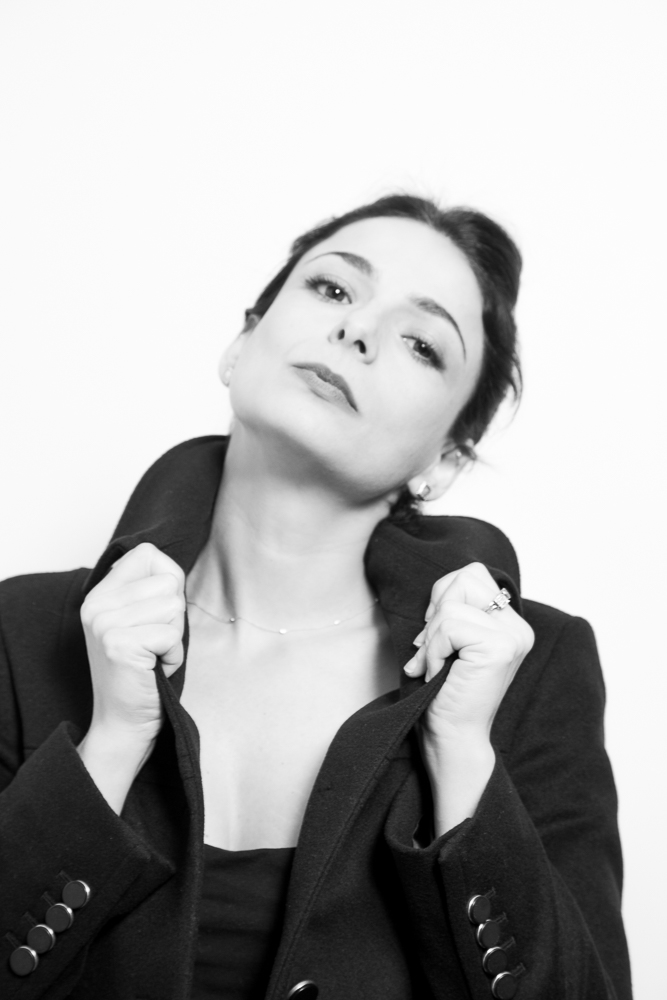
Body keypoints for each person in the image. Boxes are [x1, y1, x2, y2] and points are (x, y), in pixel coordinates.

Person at [0, 194, 631, 1000]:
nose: (358, 330)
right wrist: (111, 744)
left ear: (445, 458)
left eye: (421, 343)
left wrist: (463, 757)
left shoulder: (529, 670)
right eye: (333, 289)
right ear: (241, 343)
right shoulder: (25, 633)